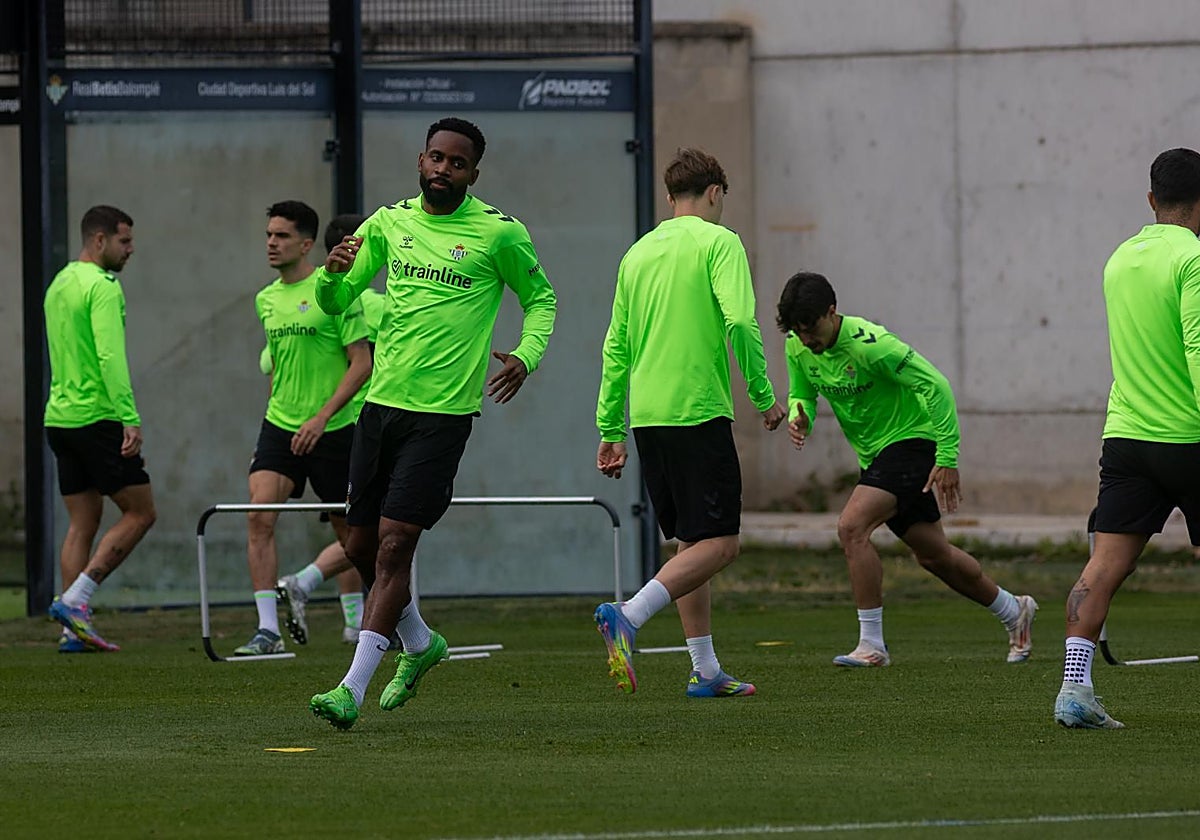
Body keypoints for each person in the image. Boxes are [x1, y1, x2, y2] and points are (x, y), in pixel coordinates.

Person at [308, 117, 557, 729]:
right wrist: (333, 274)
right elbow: (337, 304)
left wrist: (526, 355)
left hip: (443, 417)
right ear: (421, 161)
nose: (444, 169)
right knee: (359, 544)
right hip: (380, 409)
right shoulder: (388, 223)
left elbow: (542, 299)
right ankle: (420, 644)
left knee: (395, 545)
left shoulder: (499, 234)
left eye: (458, 162)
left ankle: (351, 689)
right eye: (436, 158)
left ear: (474, 172)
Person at [593, 147, 785, 698]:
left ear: (669, 196)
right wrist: (764, 394)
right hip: (697, 410)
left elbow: (615, 347)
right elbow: (742, 322)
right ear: (715, 193)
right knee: (722, 544)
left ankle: (703, 668)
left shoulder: (637, 253)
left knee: (690, 543)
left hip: (650, 418)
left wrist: (611, 427)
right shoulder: (719, 241)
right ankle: (628, 614)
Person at [776, 271, 1037, 668]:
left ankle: (872, 644)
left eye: (811, 328)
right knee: (935, 557)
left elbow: (936, 385)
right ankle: (1012, 610)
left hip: (912, 442)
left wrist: (947, 456)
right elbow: (802, 392)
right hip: (875, 458)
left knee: (852, 527)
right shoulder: (798, 346)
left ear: (832, 311)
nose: (806, 339)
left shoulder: (871, 346)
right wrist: (801, 416)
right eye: (797, 331)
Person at [1054, 148, 1200, 729]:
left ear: (1150, 200)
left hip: (1127, 437)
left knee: (1104, 565)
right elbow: (1196, 349)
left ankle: (1073, 691)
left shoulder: (1119, 259)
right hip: (1188, 437)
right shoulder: (1192, 257)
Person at [234, 201, 372, 656]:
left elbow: (361, 363)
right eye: (268, 235)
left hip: (334, 429)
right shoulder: (265, 299)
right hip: (280, 427)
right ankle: (267, 631)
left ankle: (364, 625)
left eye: (282, 236)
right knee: (258, 516)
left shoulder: (334, 290)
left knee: (353, 536)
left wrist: (322, 417)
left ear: (307, 243)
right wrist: (284, 408)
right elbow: (277, 363)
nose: (272, 243)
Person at [45, 205, 158, 652]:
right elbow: (110, 357)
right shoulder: (104, 286)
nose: (130, 250)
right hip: (97, 417)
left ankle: (71, 630)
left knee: (82, 522)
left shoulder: (59, 283)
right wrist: (128, 415)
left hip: (59, 419)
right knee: (142, 511)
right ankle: (77, 599)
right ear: (99, 240)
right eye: (124, 241)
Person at [273, 214, 382, 647]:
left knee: (354, 529)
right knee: (378, 528)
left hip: (346, 425)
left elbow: (270, 362)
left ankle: (356, 623)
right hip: (366, 425)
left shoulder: (326, 296)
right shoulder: (377, 303)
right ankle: (304, 581)